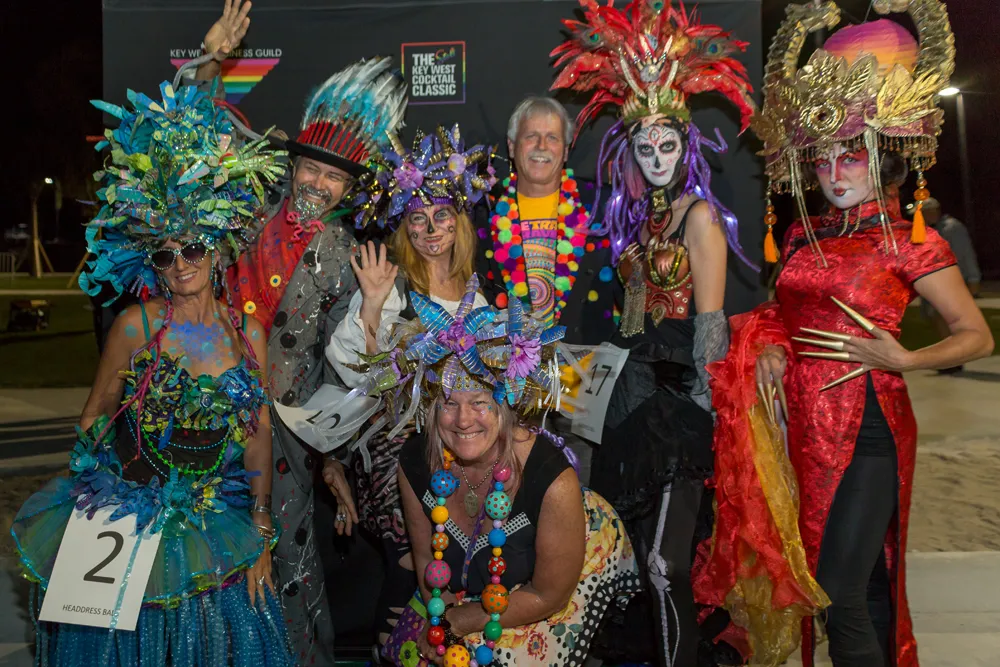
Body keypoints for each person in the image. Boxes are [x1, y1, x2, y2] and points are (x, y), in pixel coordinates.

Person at [699, 4, 995, 666]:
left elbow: (976, 336)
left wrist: (905, 357)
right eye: (825, 160)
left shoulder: (908, 240)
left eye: (851, 157)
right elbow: (784, 311)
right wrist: (771, 346)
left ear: (880, 158)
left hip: (867, 430)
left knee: (841, 595)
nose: (835, 174)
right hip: (800, 426)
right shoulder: (804, 234)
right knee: (853, 587)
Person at [14, 78, 292, 664]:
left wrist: (262, 523)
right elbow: (94, 414)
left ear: (216, 249)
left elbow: (259, 430)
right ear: (153, 264)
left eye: (192, 248)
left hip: (219, 520)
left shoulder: (248, 333)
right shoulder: (135, 327)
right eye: (165, 254)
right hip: (134, 513)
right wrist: (98, 479)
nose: (180, 264)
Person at [549, 1, 758, 664]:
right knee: (637, 562)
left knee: (666, 565)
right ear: (632, 151)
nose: (658, 156)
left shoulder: (700, 217)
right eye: (646, 146)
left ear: (685, 146)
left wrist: (706, 411)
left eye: (668, 145)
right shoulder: (638, 222)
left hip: (676, 404)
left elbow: (710, 323)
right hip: (628, 401)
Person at [196, 3, 408, 655]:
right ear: (292, 167)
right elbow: (198, 133)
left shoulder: (348, 257)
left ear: (347, 189)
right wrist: (212, 60)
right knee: (204, 547)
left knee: (285, 555)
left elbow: (351, 370)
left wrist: (373, 310)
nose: (318, 183)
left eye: (334, 176)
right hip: (207, 404)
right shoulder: (246, 206)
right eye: (311, 168)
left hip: (287, 433)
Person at [325, 276, 639, 666]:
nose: (463, 420)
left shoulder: (552, 479)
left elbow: (548, 594)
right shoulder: (415, 462)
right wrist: (442, 624)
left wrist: (462, 620)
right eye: (448, 403)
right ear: (430, 406)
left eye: (479, 402)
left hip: (557, 582)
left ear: (505, 403)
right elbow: (427, 564)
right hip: (480, 593)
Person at [321, 125, 497, 652]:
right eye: (418, 219)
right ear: (404, 226)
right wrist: (374, 305)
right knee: (410, 566)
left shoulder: (476, 292)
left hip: (462, 446)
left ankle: (441, 650)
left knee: (451, 570)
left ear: (459, 221)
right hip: (401, 452)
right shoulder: (392, 283)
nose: (430, 229)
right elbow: (360, 374)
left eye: (442, 215)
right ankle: (393, 654)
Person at [475, 96, 616, 345]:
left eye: (552, 137)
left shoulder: (600, 206)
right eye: (531, 136)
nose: (541, 146)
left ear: (566, 150)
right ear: (511, 146)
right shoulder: (485, 212)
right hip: (511, 361)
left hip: (588, 363)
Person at [910, 198, 983, 373]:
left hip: (951, 281)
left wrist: (973, 278)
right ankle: (950, 359)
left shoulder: (952, 228)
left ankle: (953, 360)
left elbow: (965, 254)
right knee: (936, 319)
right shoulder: (928, 230)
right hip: (934, 281)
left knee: (947, 320)